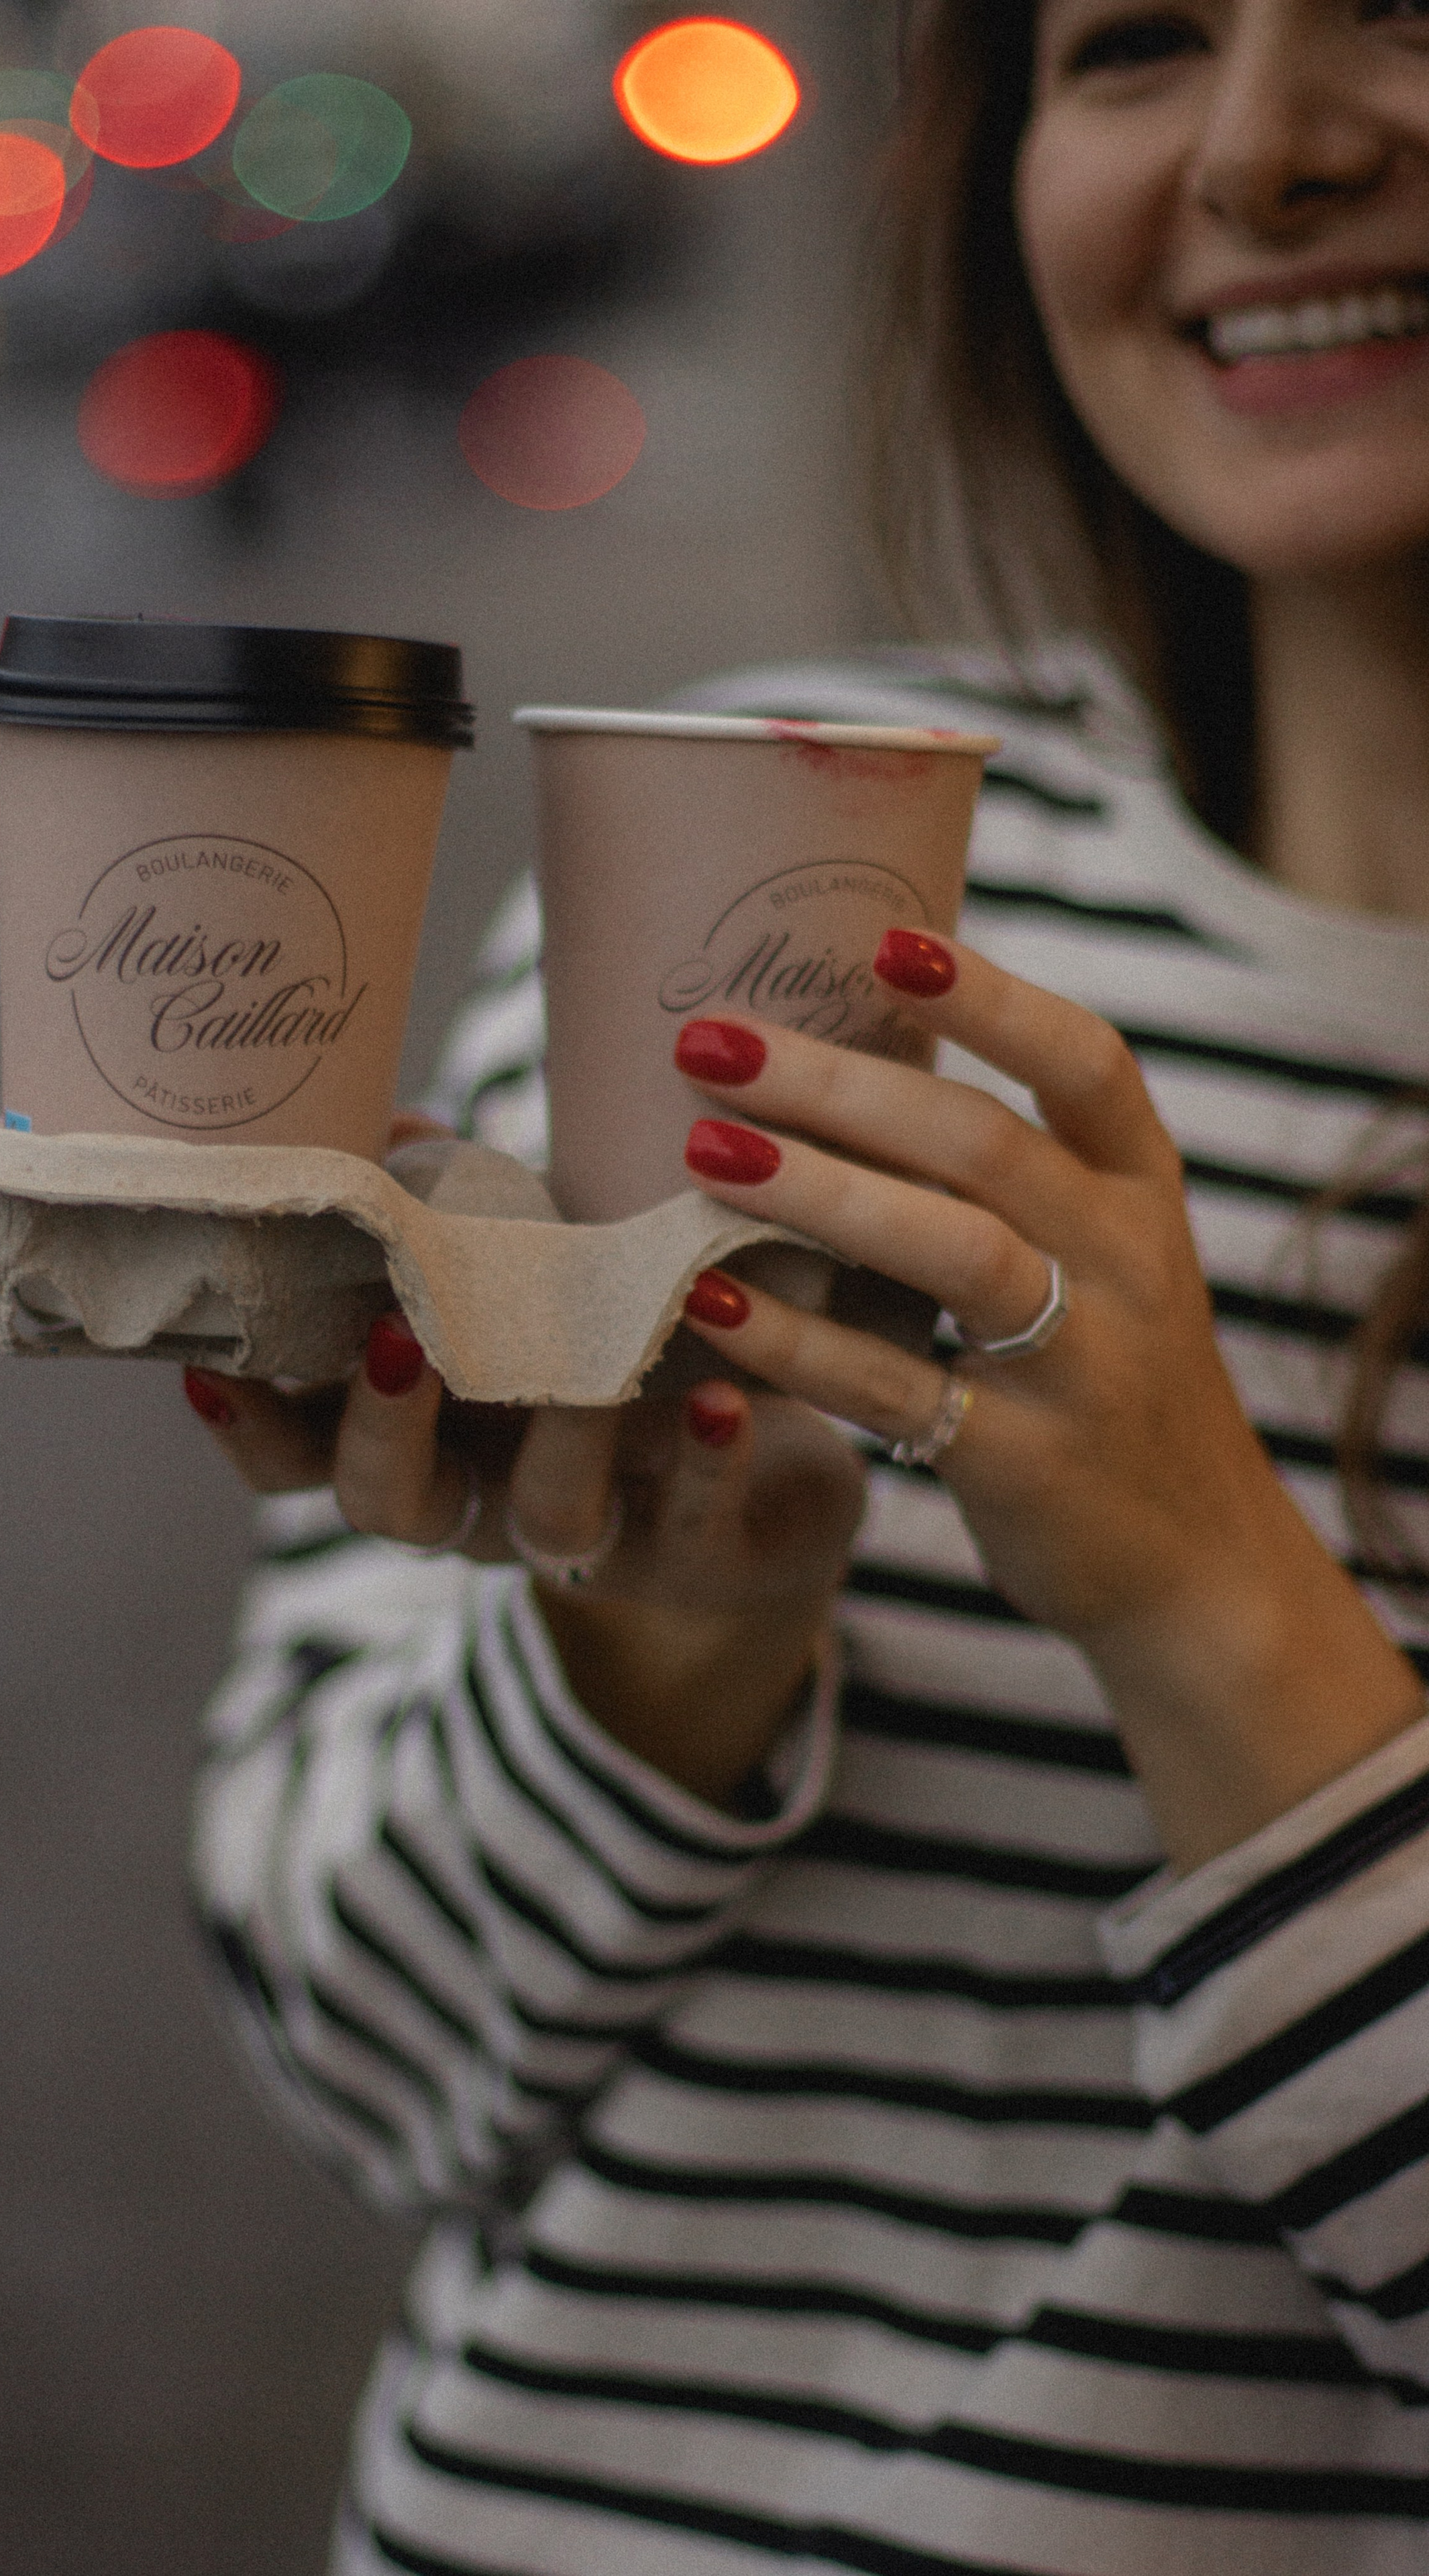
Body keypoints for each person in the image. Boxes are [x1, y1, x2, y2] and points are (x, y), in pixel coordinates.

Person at [183, 2, 1429, 2565]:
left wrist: (1216, 1605)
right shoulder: (768, 868)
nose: (1271, 145)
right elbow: (353, 2060)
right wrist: (653, 1664)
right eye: (1139, 41)